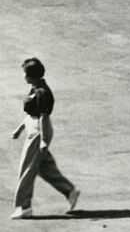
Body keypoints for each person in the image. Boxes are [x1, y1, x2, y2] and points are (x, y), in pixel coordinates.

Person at [10, 58, 79, 219]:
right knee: (43, 167)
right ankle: (69, 191)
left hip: (38, 132)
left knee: (27, 168)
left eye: (25, 73)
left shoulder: (42, 92)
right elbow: (30, 114)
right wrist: (19, 129)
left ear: (31, 75)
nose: (23, 76)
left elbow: (43, 118)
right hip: (32, 128)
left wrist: (43, 140)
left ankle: (25, 207)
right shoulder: (35, 88)